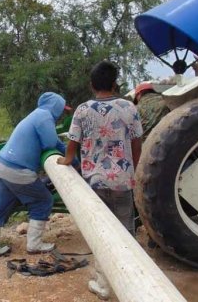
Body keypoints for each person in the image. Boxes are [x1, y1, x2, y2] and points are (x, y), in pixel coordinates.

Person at [57, 61, 143, 300]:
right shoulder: (129, 107)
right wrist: (132, 170)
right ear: (115, 83)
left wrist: (67, 160)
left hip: (95, 181)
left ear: (92, 84)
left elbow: (73, 142)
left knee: (102, 234)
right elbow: (137, 142)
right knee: (125, 233)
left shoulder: (83, 110)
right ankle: (133, 283)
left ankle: (104, 285)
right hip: (123, 181)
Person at [0, 92, 69, 258]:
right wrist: (72, 158)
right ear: (56, 106)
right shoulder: (45, 117)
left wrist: (68, 152)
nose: (62, 114)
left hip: (0, 167)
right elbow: (50, 143)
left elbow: (54, 142)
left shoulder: (35, 115)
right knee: (43, 200)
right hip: (18, 170)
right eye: (62, 109)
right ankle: (34, 244)